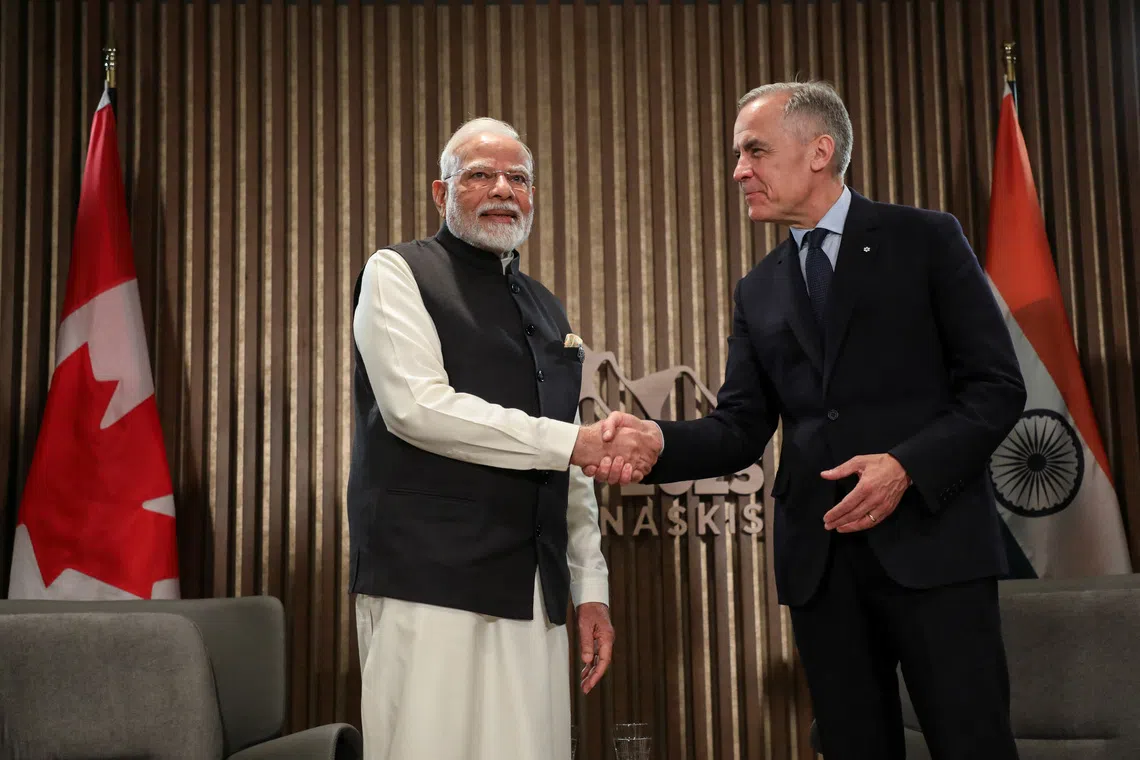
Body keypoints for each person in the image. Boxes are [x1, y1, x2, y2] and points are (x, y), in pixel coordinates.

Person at [589, 82, 1026, 758]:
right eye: (738, 155)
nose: (739, 171)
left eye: (754, 151)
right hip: (822, 566)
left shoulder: (926, 239)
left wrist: (907, 465)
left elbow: (996, 387)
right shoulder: (758, 287)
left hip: (935, 549)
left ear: (820, 151)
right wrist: (658, 441)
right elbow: (739, 427)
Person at [347, 117, 658, 760]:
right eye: (480, 175)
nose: (503, 189)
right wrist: (574, 444)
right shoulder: (397, 272)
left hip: (534, 594)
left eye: (518, 177)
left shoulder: (547, 307)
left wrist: (590, 588)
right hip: (428, 583)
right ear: (441, 193)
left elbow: (568, 457)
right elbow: (418, 409)